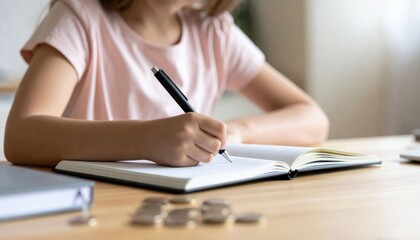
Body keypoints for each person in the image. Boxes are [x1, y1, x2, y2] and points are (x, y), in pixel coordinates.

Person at [4, 0, 329, 167]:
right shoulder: (80, 18)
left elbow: (312, 119)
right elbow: (22, 136)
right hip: (92, 207)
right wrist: (145, 139)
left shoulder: (214, 32)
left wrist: (236, 133)